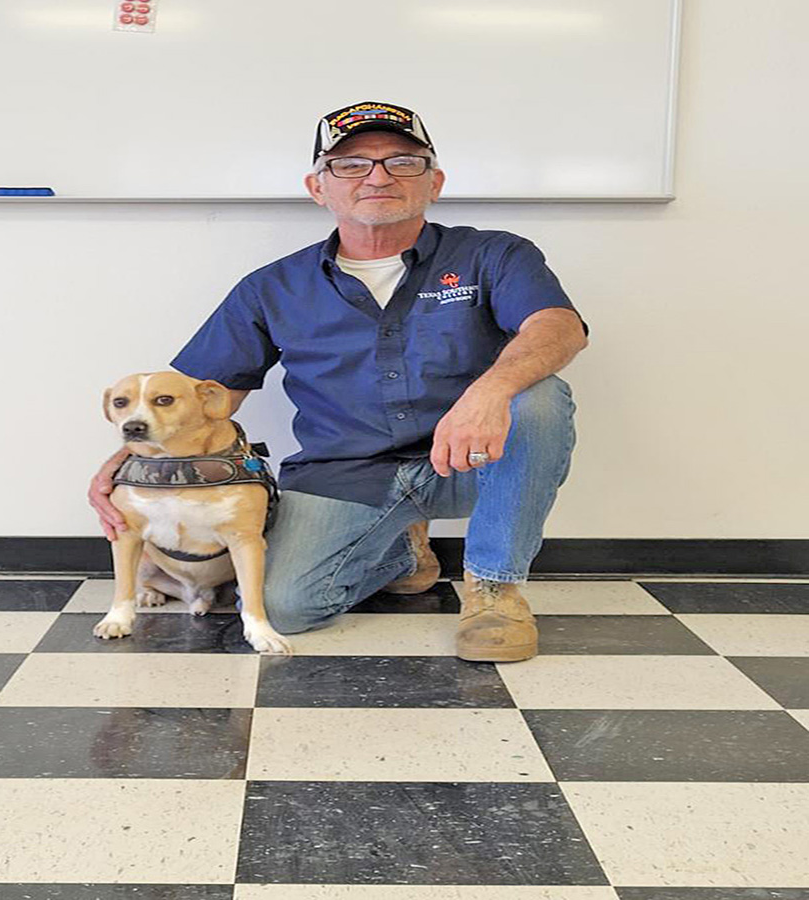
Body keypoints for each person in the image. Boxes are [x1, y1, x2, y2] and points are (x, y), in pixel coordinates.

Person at [89, 101, 588, 662]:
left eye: (402, 161)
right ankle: (401, 549)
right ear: (318, 186)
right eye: (350, 164)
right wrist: (131, 460)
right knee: (287, 607)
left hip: (469, 461)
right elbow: (200, 394)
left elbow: (559, 328)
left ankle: (495, 590)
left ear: (435, 182)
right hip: (345, 474)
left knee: (540, 397)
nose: (377, 176)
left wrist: (490, 391)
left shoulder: (493, 255)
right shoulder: (271, 287)